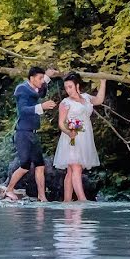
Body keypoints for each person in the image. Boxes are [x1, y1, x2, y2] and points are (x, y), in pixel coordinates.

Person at [5, 66, 58, 202]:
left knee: (40, 165)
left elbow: (39, 93)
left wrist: (47, 77)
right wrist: (42, 107)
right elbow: (23, 110)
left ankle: (42, 196)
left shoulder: (32, 88)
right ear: (31, 78)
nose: (41, 81)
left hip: (33, 133)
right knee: (25, 165)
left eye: (42, 79)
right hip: (23, 132)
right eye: (39, 78)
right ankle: (9, 189)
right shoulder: (21, 89)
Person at [54, 72, 106, 202]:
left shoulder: (86, 97)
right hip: (72, 135)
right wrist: (68, 132)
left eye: (70, 87)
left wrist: (103, 82)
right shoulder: (65, 103)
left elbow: (99, 100)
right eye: (66, 87)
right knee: (75, 167)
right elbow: (61, 123)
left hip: (85, 135)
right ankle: (82, 199)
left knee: (72, 171)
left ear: (77, 85)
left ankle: (67, 201)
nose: (68, 90)